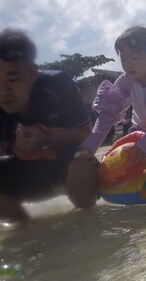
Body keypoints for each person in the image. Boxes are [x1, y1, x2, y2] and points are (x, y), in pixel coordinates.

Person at [0, 28, 96, 223]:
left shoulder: (57, 84)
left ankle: (90, 225)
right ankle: (27, 236)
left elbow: (88, 135)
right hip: (26, 176)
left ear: (34, 73)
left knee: (82, 162)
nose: (3, 91)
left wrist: (48, 138)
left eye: (13, 79)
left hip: (65, 167)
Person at [78, 26, 146, 172]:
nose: (128, 64)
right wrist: (90, 146)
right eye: (124, 58)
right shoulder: (125, 81)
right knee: (129, 163)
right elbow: (106, 116)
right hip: (140, 126)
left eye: (134, 58)